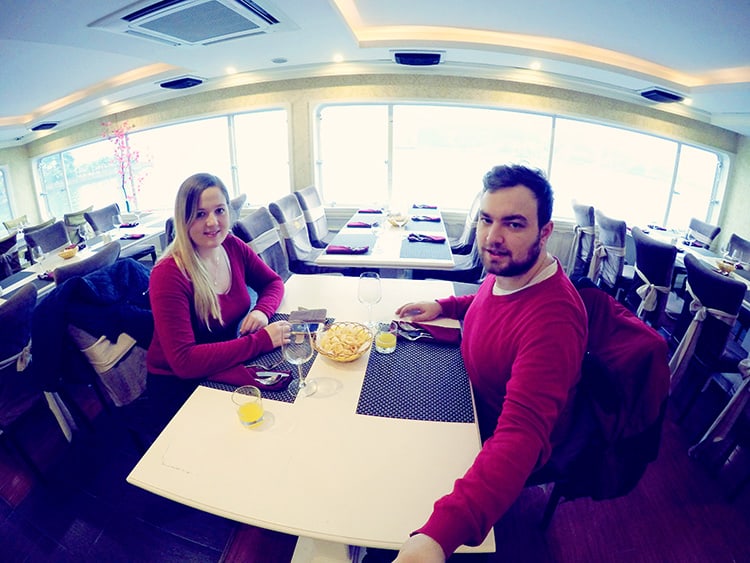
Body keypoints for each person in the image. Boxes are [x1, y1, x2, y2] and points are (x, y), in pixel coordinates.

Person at [392, 164, 588, 562]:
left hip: (490, 427)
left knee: (393, 481)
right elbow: (487, 301)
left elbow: (521, 438)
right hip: (465, 392)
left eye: (514, 224)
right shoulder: (512, 273)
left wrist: (436, 539)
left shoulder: (554, 320)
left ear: (544, 232)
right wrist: (444, 305)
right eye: (486, 219)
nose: (492, 237)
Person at [147, 173, 290, 408]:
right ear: (184, 219)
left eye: (220, 211)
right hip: (179, 388)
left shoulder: (232, 245)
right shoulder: (168, 273)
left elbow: (273, 283)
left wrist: (262, 311)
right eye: (200, 214)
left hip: (224, 362)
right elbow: (184, 362)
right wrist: (261, 341)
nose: (213, 222)